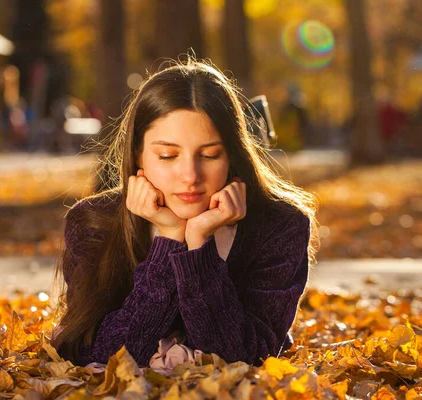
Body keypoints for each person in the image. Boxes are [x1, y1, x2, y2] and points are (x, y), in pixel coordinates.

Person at [52, 59, 319, 369]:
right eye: (168, 156)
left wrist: (198, 249)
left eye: (209, 155)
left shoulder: (281, 225)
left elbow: (243, 356)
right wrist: (169, 239)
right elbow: (102, 355)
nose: (190, 175)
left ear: (232, 154)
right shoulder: (93, 222)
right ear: (138, 153)